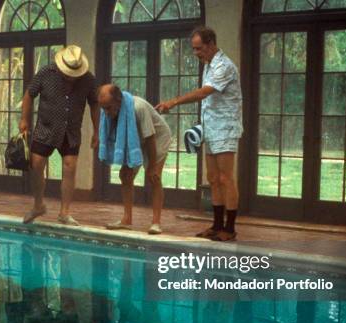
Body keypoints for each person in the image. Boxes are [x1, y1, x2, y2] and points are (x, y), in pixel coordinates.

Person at [156, 27, 242, 242]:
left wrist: (174, 102)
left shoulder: (224, 66)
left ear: (211, 44)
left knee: (225, 178)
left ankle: (229, 228)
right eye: (194, 49)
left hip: (226, 127)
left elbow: (204, 93)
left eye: (199, 48)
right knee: (212, 178)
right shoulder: (208, 65)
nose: (196, 53)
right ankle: (216, 225)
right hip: (211, 127)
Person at [19, 45, 100, 225]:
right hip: (45, 128)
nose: (71, 77)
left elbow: (95, 103)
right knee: (37, 163)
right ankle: (38, 205)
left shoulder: (88, 79)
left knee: (70, 167)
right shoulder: (46, 72)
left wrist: (97, 130)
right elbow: (29, 94)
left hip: (70, 131)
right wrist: (24, 119)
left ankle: (64, 213)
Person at [98, 84, 171, 235]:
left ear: (118, 101)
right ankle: (127, 219)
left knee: (154, 177)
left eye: (108, 108)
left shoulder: (138, 108)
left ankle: (156, 223)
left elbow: (150, 138)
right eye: (103, 108)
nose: (106, 112)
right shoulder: (110, 111)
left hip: (157, 137)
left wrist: (151, 166)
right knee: (125, 175)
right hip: (137, 138)